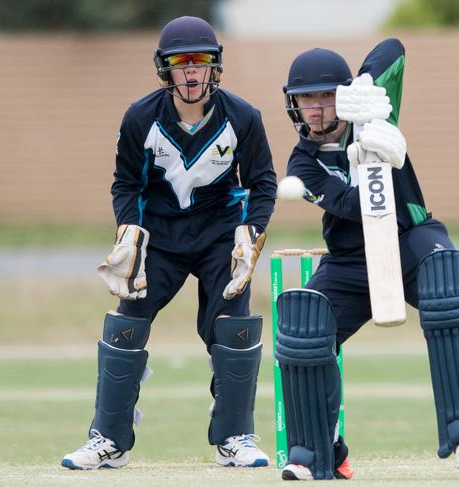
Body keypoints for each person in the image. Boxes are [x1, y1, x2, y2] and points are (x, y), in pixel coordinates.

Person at [274, 40, 459, 481]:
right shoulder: (303, 162)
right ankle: (318, 453)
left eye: (327, 96)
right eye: (307, 99)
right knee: (303, 322)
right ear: (293, 105)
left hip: (411, 237)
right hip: (351, 259)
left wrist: (369, 93)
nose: (317, 108)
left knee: (447, 281)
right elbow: (350, 205)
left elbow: (393, 49)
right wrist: (373, 163)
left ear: (344, 96)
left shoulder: (376, 117)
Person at [61, 16, 276, 470]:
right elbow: (125, 185)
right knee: (127, 322)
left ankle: (234, 436)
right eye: (182, 63)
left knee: (233, 326)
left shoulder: (244, 117)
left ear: (215, 68)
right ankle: (109, 439)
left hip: (221, 234)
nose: (192, 72)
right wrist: (129, 234)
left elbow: (263, 183)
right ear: (166, 70)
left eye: (201, 62)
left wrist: (251, 233)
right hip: (159, 236)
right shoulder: (142, 118)